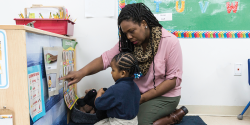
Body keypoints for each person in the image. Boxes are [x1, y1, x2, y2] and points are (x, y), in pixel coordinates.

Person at [61, 3, 188, 125]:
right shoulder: (127, 42)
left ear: (143, 23)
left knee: (138, 122)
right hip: (135, 94)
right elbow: (105, 59)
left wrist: (142, 99)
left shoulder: (170, 42)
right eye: (125, 32)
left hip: (164, 96)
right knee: (114, 115)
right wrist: (81, 73)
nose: (129, 36)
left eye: (132, 31)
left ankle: (174, 117)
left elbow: (173, 81)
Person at [94, 52, 141, 124]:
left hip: (118, 122)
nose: (111, 73)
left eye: (113, 70)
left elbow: (98, 104)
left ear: (123, 73)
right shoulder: (136, 87)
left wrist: (99, 92)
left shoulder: (114, 89)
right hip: (133, 122)